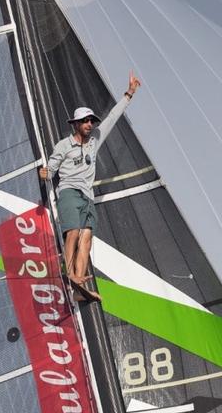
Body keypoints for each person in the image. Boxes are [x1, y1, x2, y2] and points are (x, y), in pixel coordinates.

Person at [40, 71, 141, 301]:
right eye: (85, 121)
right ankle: (70, 274)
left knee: (87, 238)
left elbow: (112, 118)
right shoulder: (64, 145)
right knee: (73, 232)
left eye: (90, 121)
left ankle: (78, 285)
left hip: (87, 197)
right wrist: (44, 173)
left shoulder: (94, 140)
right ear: (75, 124)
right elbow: (51, 169)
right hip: (68, 192)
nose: (89, 124)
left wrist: (130, 94)